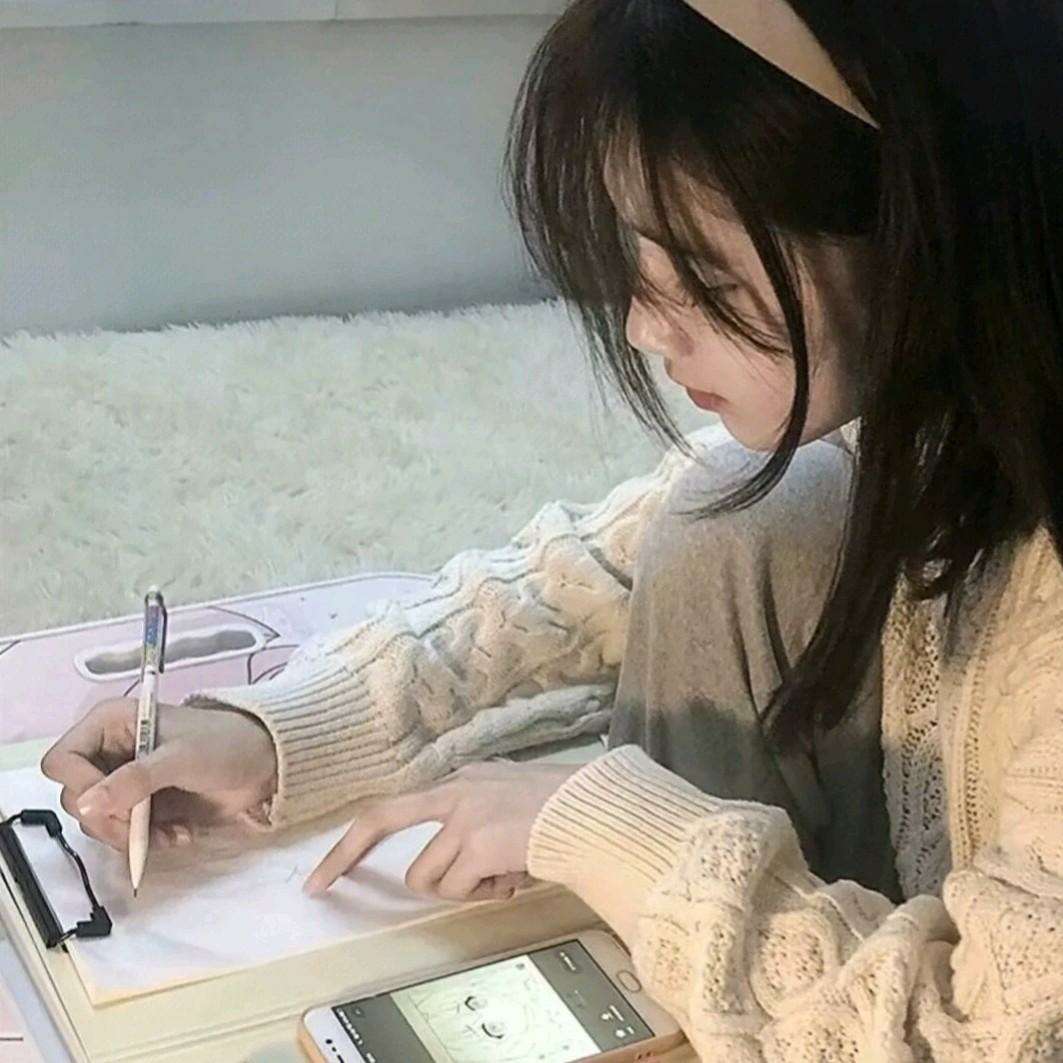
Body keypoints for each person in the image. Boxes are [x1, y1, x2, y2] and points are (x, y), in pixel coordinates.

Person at [40, 0, 1063, 1057]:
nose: (643, 326)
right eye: (639, 259)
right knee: (735, 515)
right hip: (895, 881)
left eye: (704, 278)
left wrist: (607, 825)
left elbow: (985, 1038)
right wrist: (276, 733)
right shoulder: (938, 412)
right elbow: (580, 582)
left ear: (926, 226)